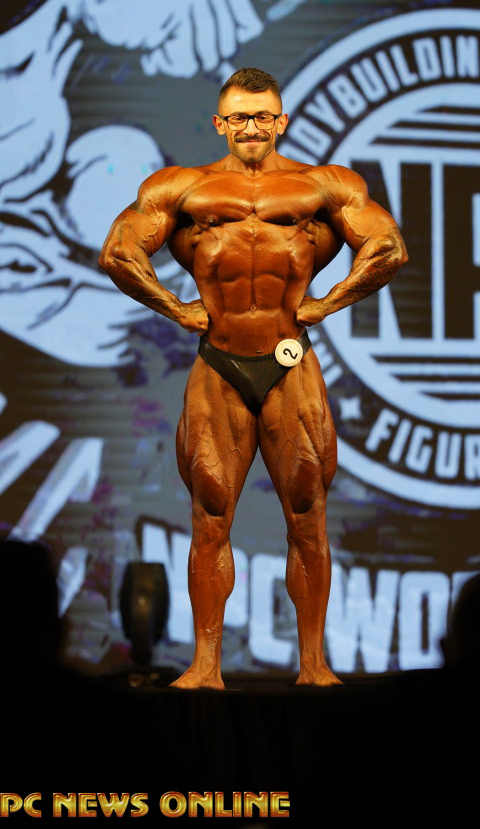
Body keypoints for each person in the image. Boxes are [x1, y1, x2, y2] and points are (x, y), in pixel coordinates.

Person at [99, 67, 407, 688]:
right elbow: (119, 251)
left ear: (281, 120)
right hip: (219, 363)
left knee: (307, 512)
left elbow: (388, 247)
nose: (251, 127)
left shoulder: (323, 185)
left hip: (290, 361)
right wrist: (175, 308)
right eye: (239, 117)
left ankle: (314, 665)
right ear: (220, 122)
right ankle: (206, 666)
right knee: (210, 513)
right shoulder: (182, 187)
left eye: (263, 116)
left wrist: (330, 301)